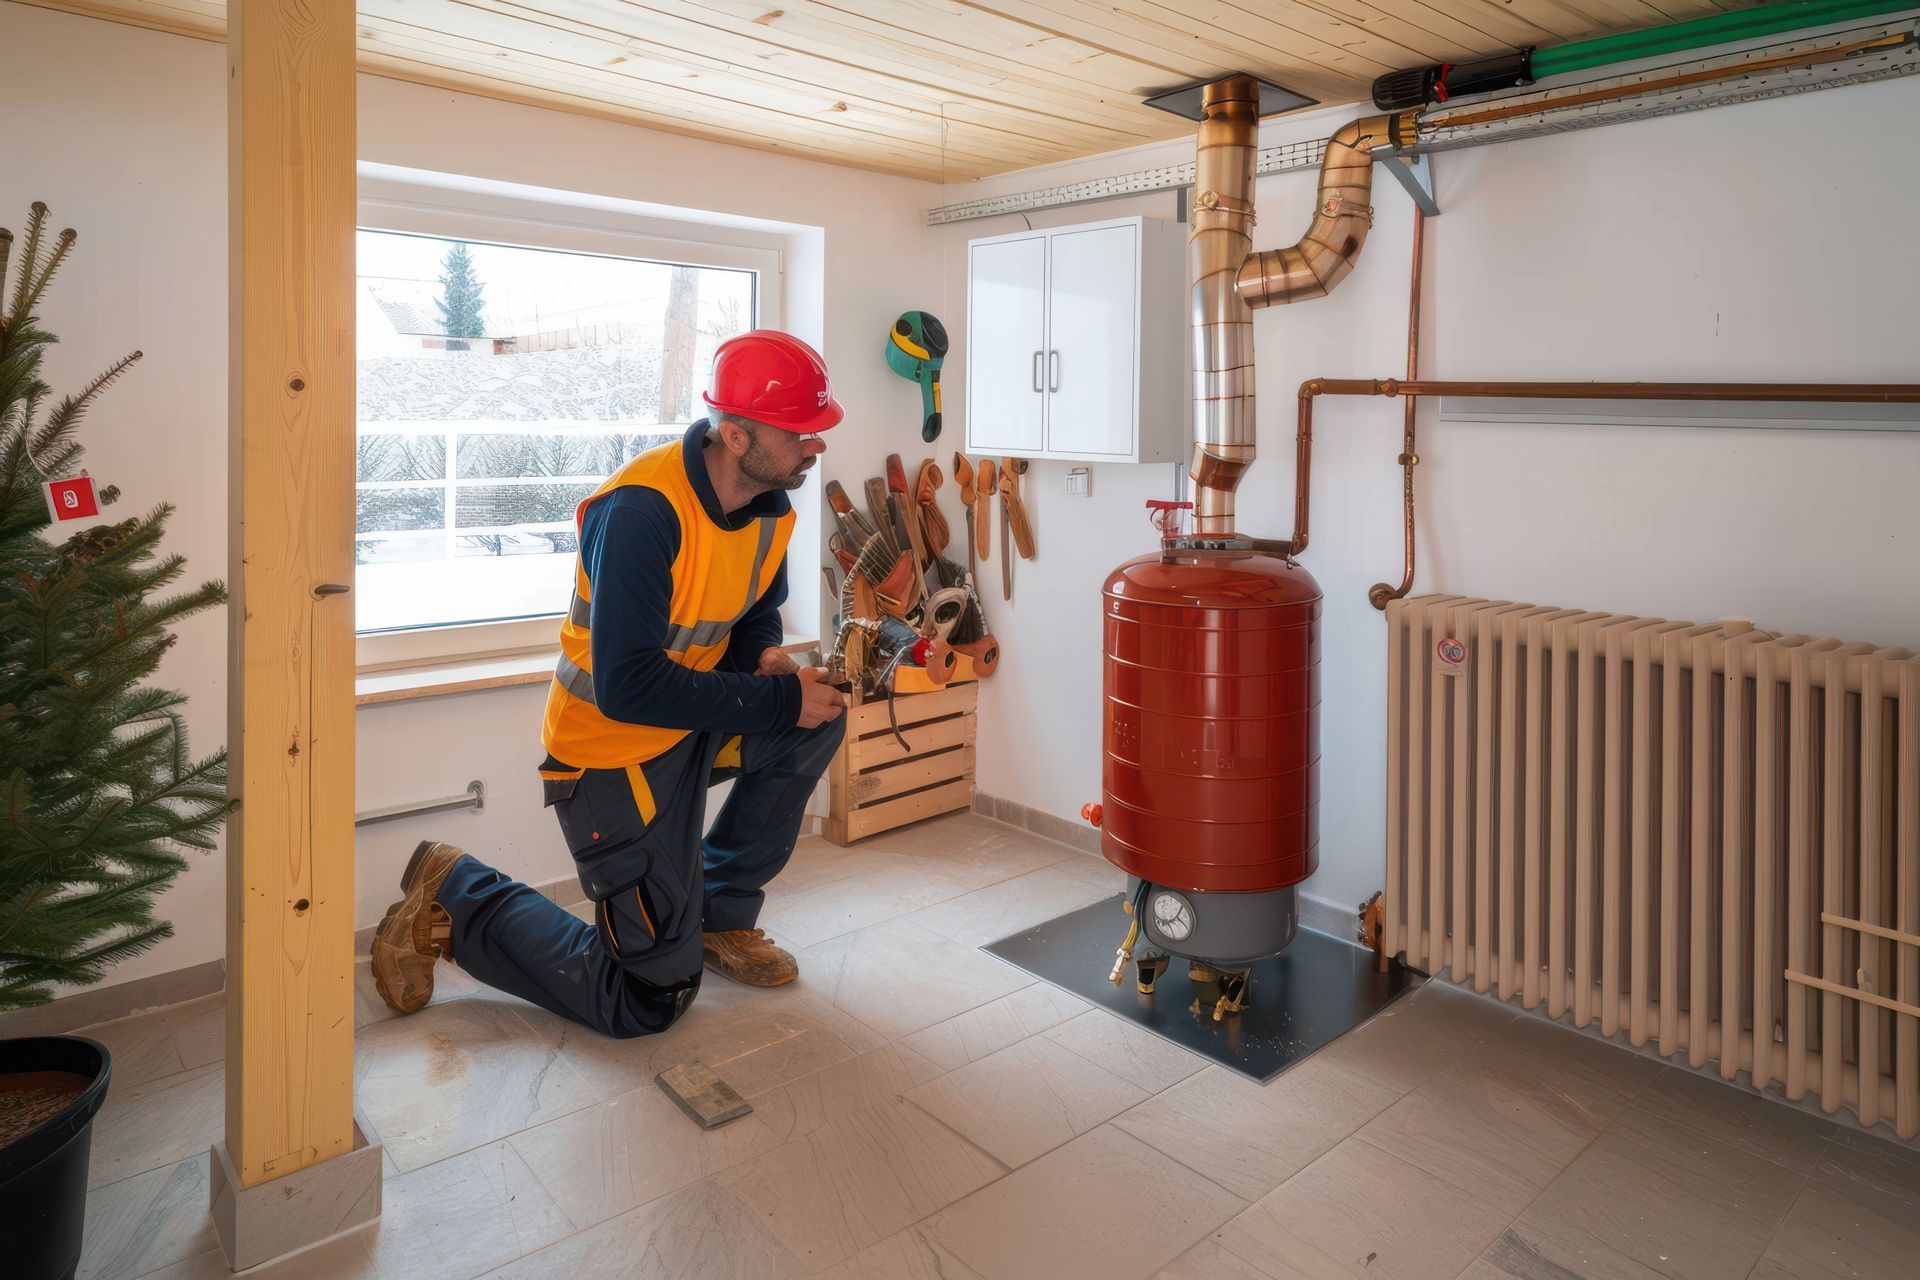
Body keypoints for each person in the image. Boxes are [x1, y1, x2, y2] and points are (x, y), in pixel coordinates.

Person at [369, 330, 849, 1037]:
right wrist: (776, 697)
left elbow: (755, 612)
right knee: (649, 1001)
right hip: (611, 752)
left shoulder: (770, 507)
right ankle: (459, 894)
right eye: (802, 432)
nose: (816, 447)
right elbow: (628, 687)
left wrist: (768, 657)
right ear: (736, 436)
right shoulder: (640, 513)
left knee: (820, 715)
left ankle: (718, 918)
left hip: (690, 725)